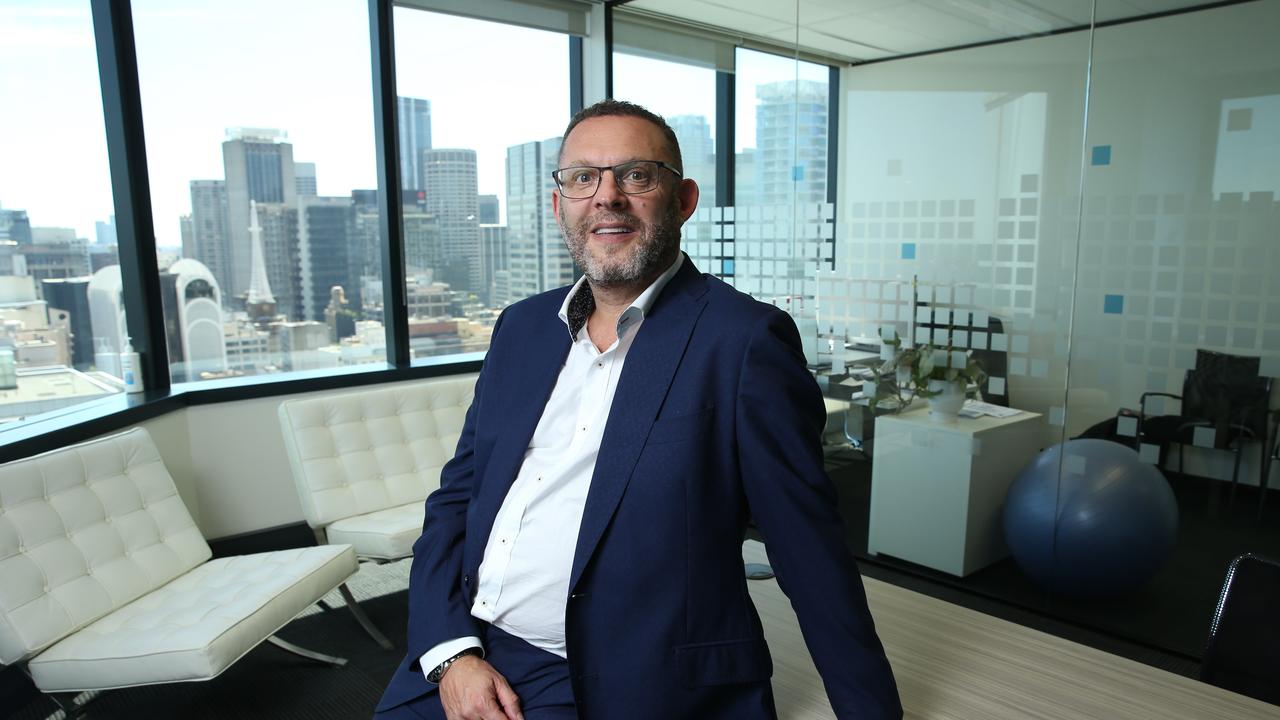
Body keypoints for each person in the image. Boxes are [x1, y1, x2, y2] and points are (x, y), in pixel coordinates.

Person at [376, 99, 901, 720]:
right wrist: (451, 651)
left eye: (636, 175)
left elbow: (806, 547)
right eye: (583, 178)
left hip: (619, 680)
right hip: (466, 652)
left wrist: (871, 710)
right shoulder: (521, 329)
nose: (607, 197)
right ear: (559, 204)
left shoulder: (743, 342)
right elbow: (457, 501)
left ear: (682, 201)